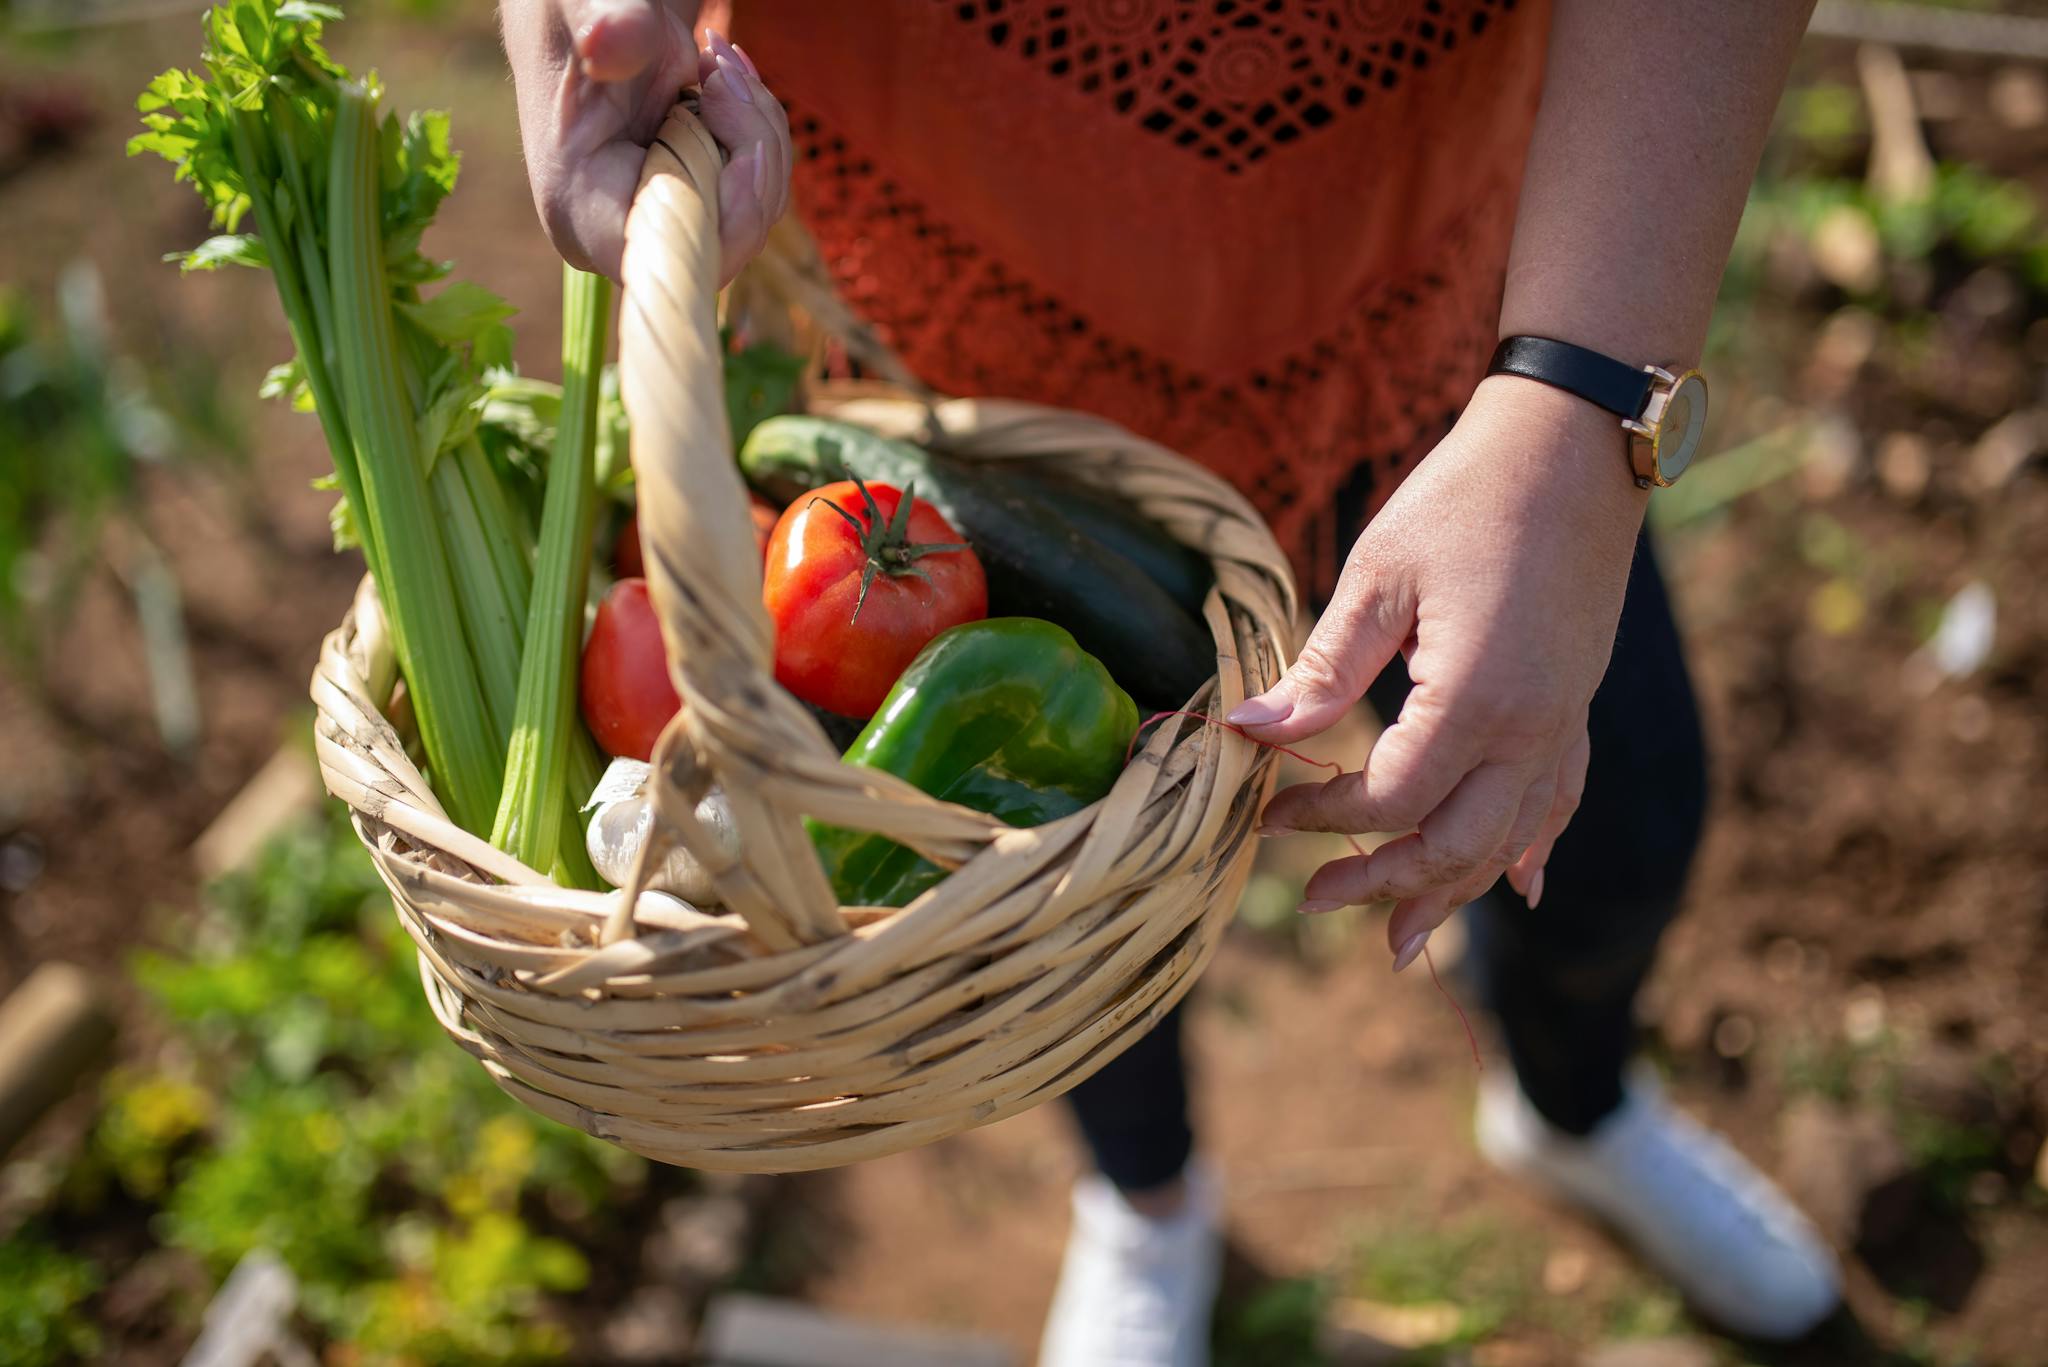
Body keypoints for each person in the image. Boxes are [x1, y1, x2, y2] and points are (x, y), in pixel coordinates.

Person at [502, 2, 1844, 1361]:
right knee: (1060, 902)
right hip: (954, 335)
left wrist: (1578, 408)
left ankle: (1573, 1105)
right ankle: (1146, 1203)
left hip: (1461, 308)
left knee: (1625, 821)